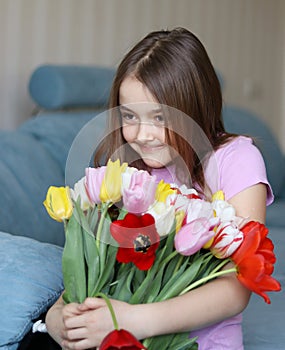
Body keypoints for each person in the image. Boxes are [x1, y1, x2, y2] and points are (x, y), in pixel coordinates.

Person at [45, 27, 273, 349]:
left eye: (159, 117)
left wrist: (131, 321)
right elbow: (87, 266)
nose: (141, 135)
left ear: (194, 108)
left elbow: (237, 287)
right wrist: (58, 318)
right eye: (129, 116)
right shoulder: (124, 175)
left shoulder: (237, 159)